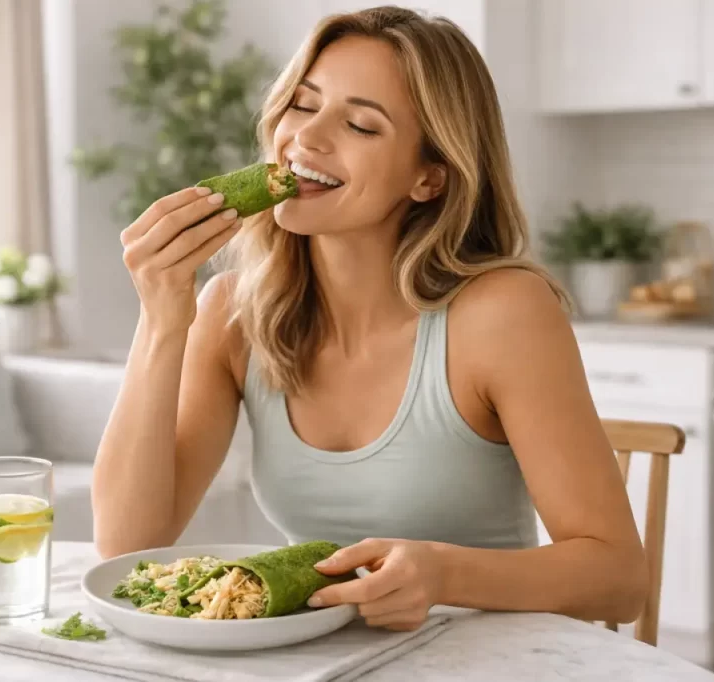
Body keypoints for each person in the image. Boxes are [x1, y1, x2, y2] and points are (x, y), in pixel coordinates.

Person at [93, 6, 647, 632]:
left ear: (428, 178)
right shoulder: (230, 312)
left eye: (360, 124)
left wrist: (444, 574)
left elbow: (619, 580)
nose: (307, 138)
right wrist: (164, 320)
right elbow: (125, 545)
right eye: (302, 105)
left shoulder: (501, 313)